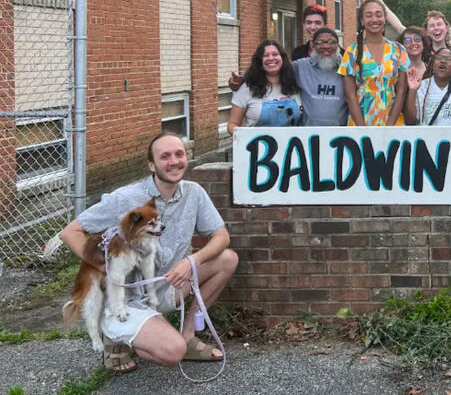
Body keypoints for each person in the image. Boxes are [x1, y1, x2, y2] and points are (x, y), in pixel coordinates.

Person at [59, 133, 237, 372]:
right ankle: (118, 334)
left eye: (179, 154)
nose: (174, 161)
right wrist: (102, 268)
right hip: (128, 297)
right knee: (172, 353)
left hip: (167, 285)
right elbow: (71, 232)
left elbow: (221, 236)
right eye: (165, 157)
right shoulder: (125, 198)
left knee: (227, 259)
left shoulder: (193, 193)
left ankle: (187, 334)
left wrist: (191, 261)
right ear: (151, 165)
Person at [339, 0, 409, 126]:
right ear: (362, 21)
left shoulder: (399, 50)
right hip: (361, 120)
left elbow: (401, 91)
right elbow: (349, 95)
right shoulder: (352, 51)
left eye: (378, 14)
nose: (374, 19)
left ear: (385, 18)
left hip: (392, 120)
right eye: (368, 15)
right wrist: (363, 129)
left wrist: (390, 126)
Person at [226, 40, 303, 135]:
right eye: (265, 55)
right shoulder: (246, 88)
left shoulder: (296, 85)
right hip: (257, 147)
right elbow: (232, 124)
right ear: (259, 61)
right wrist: (244, 138)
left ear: (282, 58)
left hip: (292, 147)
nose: (271, 58)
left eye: (275, 54)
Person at [293, 27, 349, 126]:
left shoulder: (348, 67)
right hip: (308, 136)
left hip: (340, 136)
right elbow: (277, 71)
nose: (326, 46)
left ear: (338, 45)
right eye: (320, 42)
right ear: (313, 46)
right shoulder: (301, 66)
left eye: (331, 42)